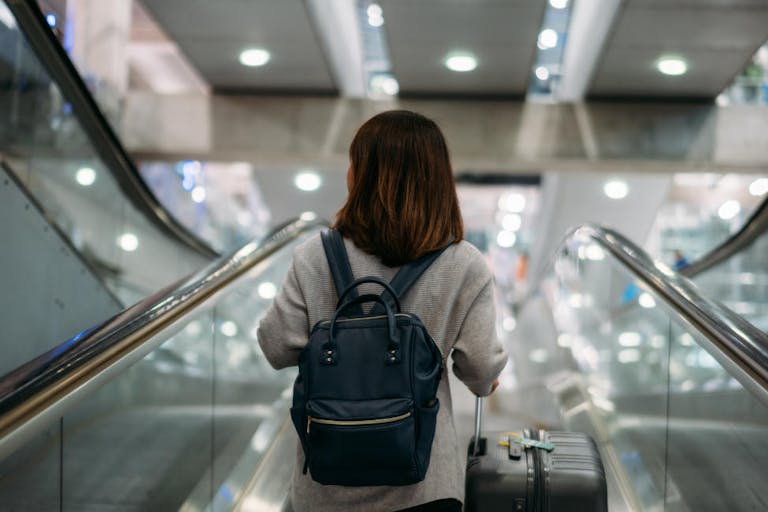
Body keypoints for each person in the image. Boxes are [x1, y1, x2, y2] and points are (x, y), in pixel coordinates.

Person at [257, 110, 508, 512]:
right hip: (424, 488)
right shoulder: (465, 263)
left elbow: (275, 347)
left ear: (361, 175)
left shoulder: (316, 256)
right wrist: (488, 378)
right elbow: (479, 371)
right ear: (439, 180)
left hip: (325, 489)